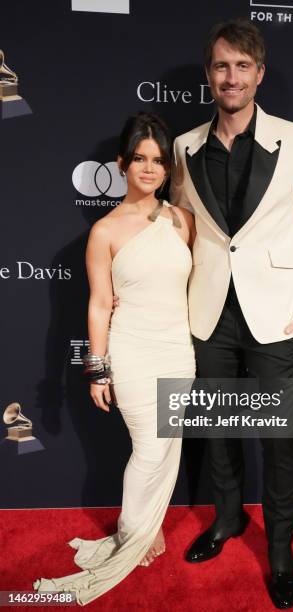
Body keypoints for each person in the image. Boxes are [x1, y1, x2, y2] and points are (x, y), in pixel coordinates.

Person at [170, 18, 293, 609]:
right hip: (208, 312)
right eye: (221, 66)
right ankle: (226, 520)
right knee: (218, 429)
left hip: (277, 315)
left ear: (259, 74)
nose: (231, 77)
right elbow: (182, 230)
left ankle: (282, 549)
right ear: (208, 75)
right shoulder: (185, 147)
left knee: (279, 439)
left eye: (242, 66)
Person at [33, 112, 196, 605]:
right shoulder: (104, 231)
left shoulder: (182, 220)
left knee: (168, 448)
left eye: (159, 161)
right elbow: (100, 303)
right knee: (150, 448)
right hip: (133, 351)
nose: (149, 169)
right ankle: (135, 532)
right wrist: (97, 368)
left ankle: (148, 525)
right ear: (122, 164)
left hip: (178, 350)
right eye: (140, 159)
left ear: (168, 168)